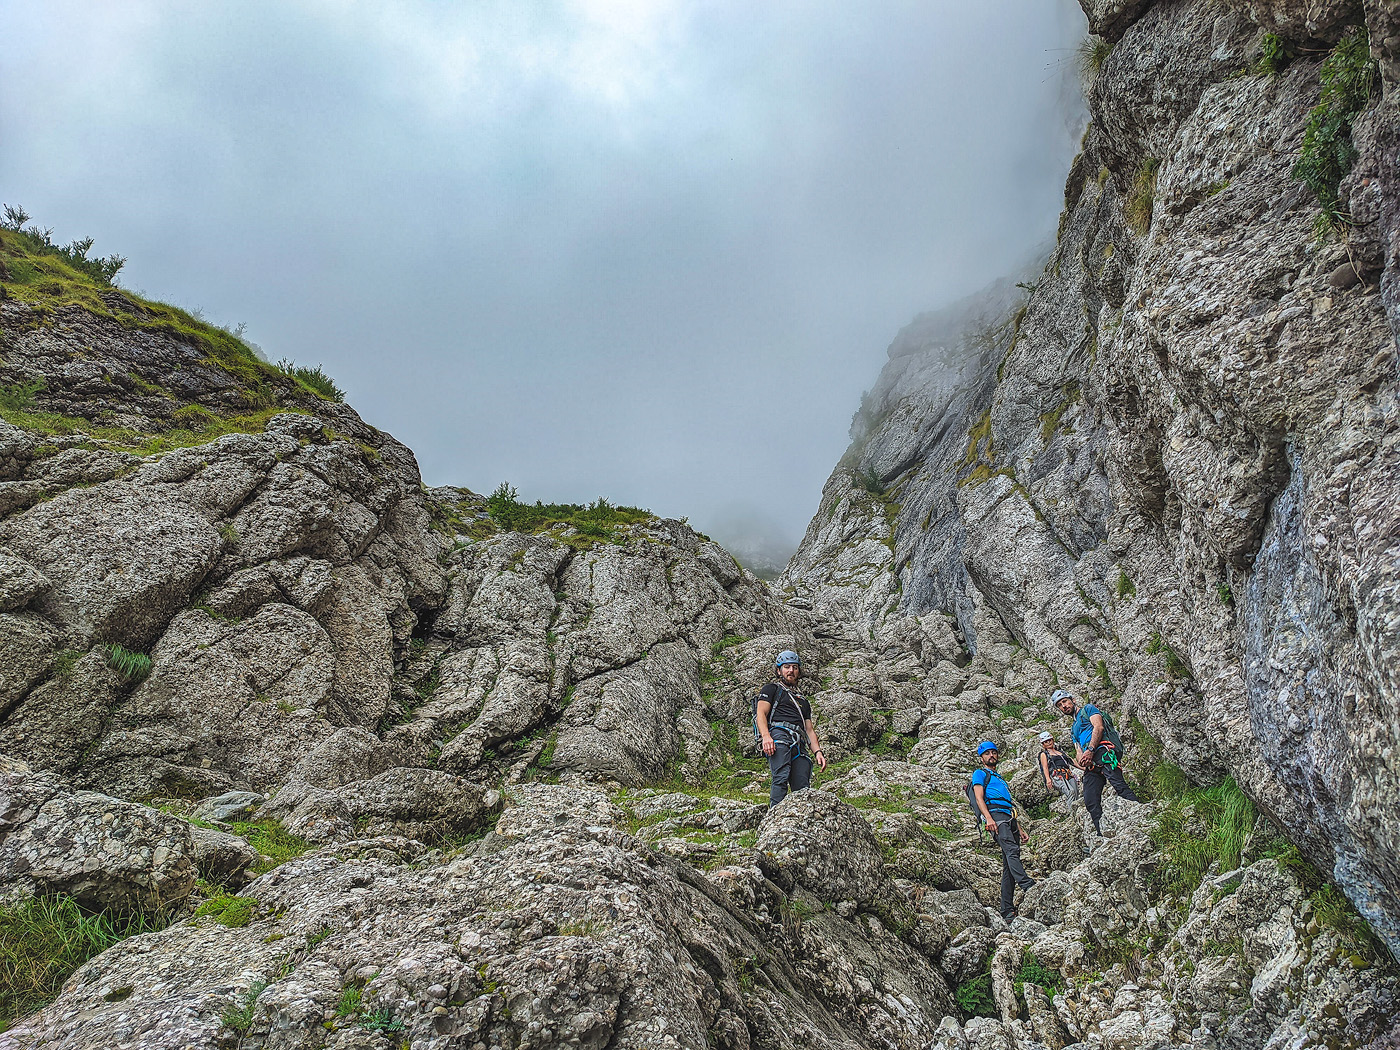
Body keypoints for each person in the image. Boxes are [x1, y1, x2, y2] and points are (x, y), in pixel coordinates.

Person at [1051, 688, 1139, 836]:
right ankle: (1101, 834)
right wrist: (1082, 760)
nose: (1063, 706)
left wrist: (1090, 750)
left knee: (1119, 784)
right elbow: (1078, 751)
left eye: (1065, 701)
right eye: (1060, 705)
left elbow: (1098, 727)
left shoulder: (1088, 709)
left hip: (1102, 751)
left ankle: (1138, 814)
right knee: (1090, 799)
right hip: (1091, 762)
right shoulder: (1073, 729)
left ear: (1072, 700)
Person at [970, 740, 1036, 923]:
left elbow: (1009, 806)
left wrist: (1020, 828)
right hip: (996, 816)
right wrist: (988, 819)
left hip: (1008, 818)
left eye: (994, 753)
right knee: (1011, 852)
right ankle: (1028, 885)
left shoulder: (999, 778)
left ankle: (1006, 910)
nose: (991, 756)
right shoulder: (980, 773)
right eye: (987, 753)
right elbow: (978, 796)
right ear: (982, 757)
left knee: (1009, 863)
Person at [756, 650, 827, 807]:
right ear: (779, 670)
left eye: (794, 667)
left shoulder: (803, 701)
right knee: (780, 778)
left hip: (799, 743)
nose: (791, 671)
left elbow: (809, 729)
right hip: (779, 735)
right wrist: (766, 737)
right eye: (786, 667)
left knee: (802, 789)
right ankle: (774, 820)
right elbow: (760, 713)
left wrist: (818, 752)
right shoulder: (771, 689)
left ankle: (798, 823)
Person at [1037, 730, 1081, 805]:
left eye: (1049, 740)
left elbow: (1071, 761)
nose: (1048, 743)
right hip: (1057, 775)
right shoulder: (1044, 754)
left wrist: (1083, 768)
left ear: (1052, 740)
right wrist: (1048, 779)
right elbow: (1045, 767)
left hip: (1067, 773)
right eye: (1046, 741)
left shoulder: (1061, 752)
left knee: (1076, 793)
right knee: (1070, 792)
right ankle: (1071, 813)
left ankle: (1074, 811)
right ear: (1043, 744)